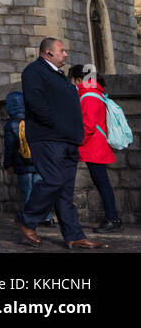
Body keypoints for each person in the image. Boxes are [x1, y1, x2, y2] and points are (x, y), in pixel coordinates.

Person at [14, 38, 101, 249]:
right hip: (48, 138)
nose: (66, 54)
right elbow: (35, 102)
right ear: (48, 53)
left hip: (68, 141)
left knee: (65, 190)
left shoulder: (60, 77)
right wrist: (55, 124)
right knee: (54, 180)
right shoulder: (34, 71)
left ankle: (73, 234)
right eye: (62, 51)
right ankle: (27, 219)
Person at [69, 64, 123, 233]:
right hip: (96, 146)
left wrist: (76, 142)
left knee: (102, 183)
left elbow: (88, 125)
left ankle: (113, 219)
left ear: (79, 80)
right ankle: (112, 218)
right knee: (102, 183)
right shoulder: (94, 93)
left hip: (94, 147)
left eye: (72, 80)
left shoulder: (88, 95)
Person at [2, 91, 54, 226]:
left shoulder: (11, 125)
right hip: (37, 162)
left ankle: (30, 218)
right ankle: (47, 217)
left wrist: (8, 164)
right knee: (40, 192)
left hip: (21, 163)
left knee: (27, 192)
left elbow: (9, 147)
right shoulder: (34, 120)